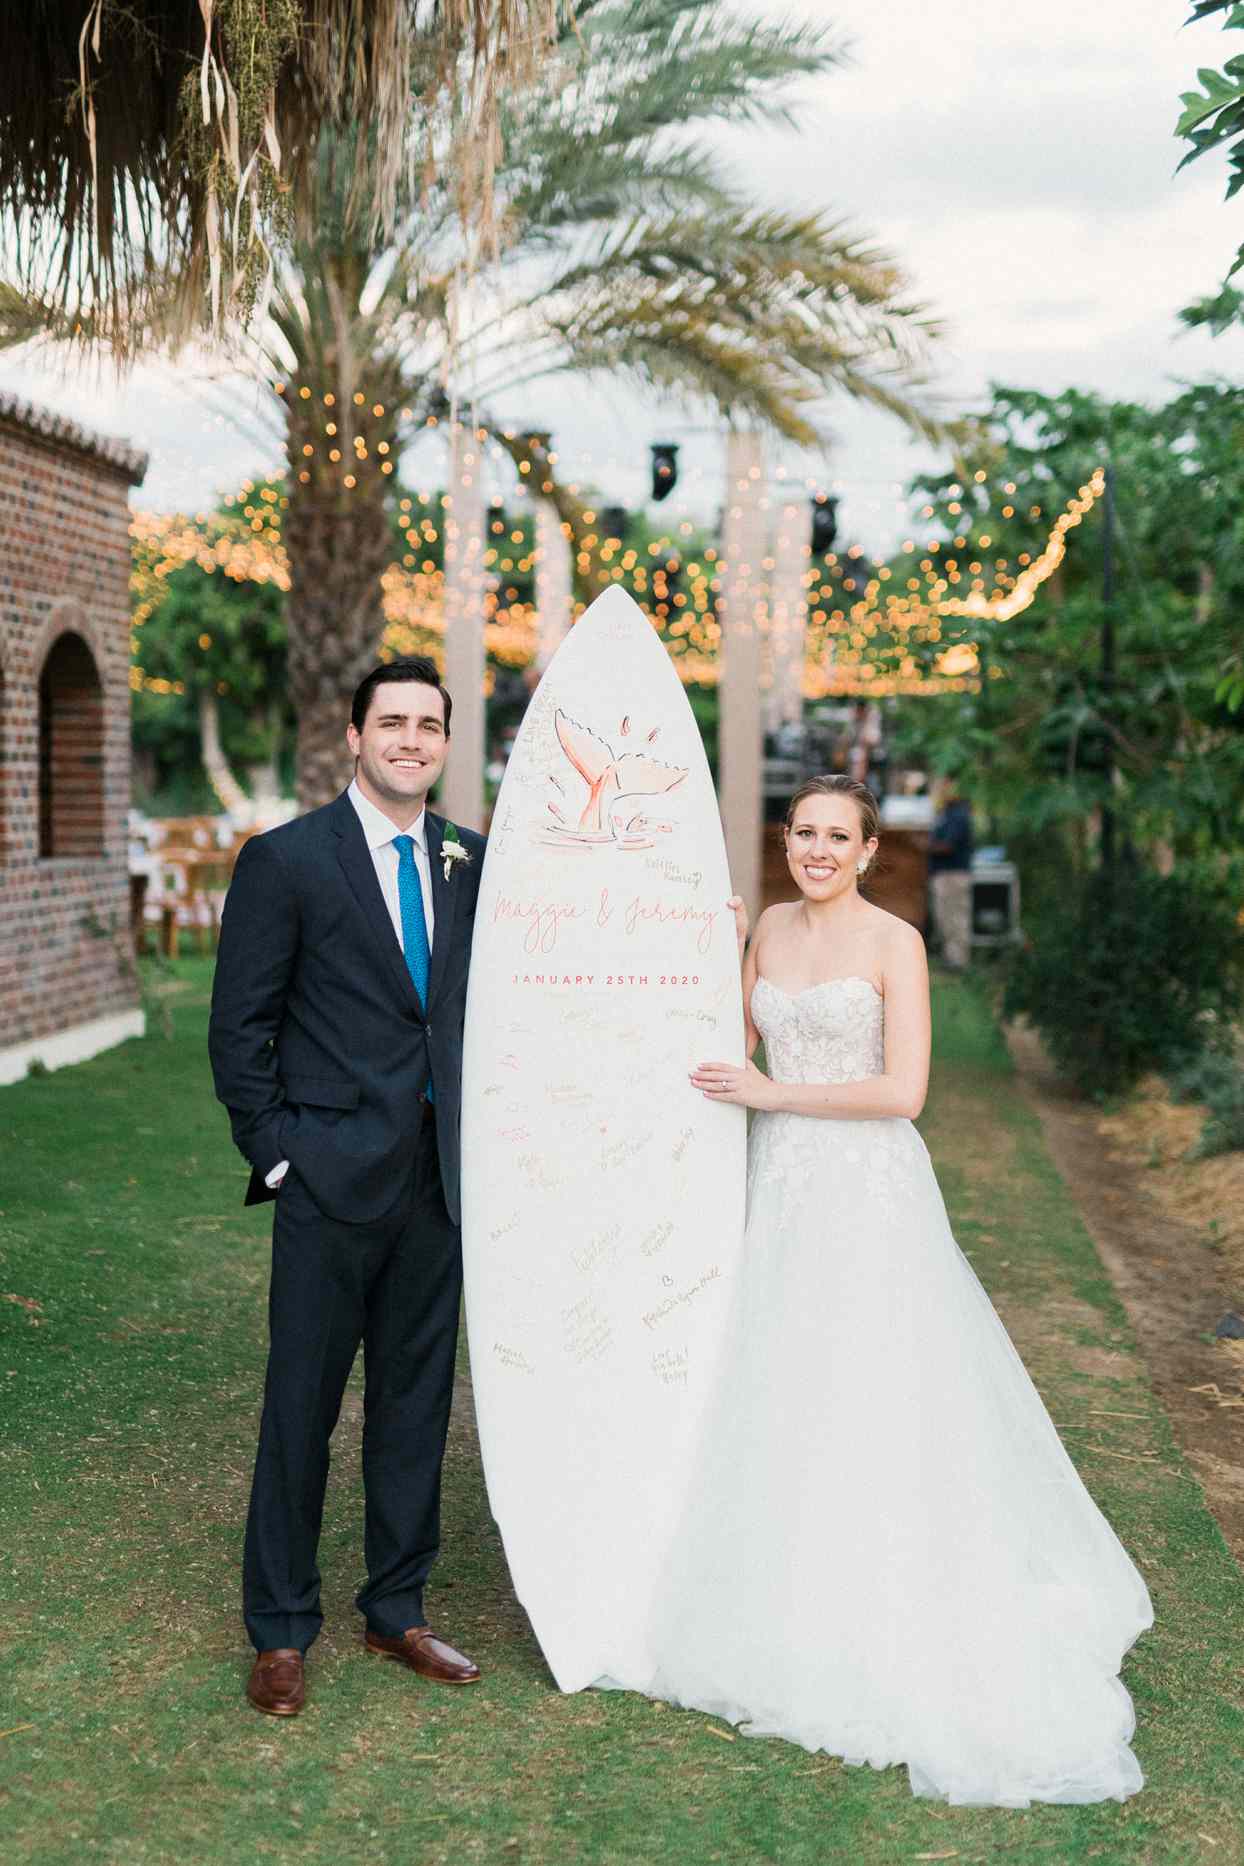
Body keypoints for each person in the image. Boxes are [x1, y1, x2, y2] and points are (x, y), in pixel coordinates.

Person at [629, 774, 1152, 1805]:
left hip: (864, 1190)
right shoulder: (769, 926)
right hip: (775, 1185)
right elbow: (726, 1047)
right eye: (802, 833)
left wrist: (777, 1092)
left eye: (837, 836)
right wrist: (711, 954)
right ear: (785, 841)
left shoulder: (891, 944)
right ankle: (780, 1587)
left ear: (868, 850)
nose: (816, 850)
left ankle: (886, 1597)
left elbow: (901, 1092)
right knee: (779, 1377)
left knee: (869, 1381)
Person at [208, 656, 486, 1717]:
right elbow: (239, 1030)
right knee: (300, 1409)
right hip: (328, 1181)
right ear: (355, 736)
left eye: (429, 724)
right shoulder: (285, 861)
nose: (411, 739)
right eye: (392, 722)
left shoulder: (472, 860)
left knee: (415, 1408)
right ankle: (281, 1630)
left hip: (439, 1186)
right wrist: (281, 1155)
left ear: (445, 743)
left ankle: (396, 1607)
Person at [927, 776, 974, 969]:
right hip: (942, 874)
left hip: (954, 874)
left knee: (956, 918)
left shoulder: (959, 814)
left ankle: (959, 961)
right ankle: (950, 959)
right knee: (944, 917)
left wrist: (925, 847)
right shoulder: (944, 813)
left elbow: (947, 846)